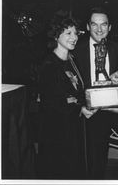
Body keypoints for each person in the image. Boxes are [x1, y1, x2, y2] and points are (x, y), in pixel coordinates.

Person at [37, 11, 87, 179]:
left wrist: (82, 103)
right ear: (56, 35)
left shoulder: (73, 60)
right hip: (56, 134)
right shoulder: (49, 65)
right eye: (68, 33)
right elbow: (51, 104)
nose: (74, 37)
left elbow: (77, 92)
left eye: (76, 33)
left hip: (74, 129)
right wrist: (79, 108)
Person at [74, 7, 118, 179]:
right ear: (88, 26)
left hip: (106, 110)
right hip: (82, 111)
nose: (99, 29)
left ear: (110, 27)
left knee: (101, 153)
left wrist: (117, 77)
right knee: (81, 157)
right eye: (94, 24)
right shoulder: (75, 50)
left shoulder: (117, 49)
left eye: (104, 25)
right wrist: (79, 106)